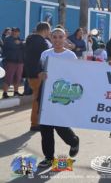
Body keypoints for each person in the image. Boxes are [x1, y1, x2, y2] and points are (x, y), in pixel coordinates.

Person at [37, 28, 80, 168]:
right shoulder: (45, 54)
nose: (57, 40)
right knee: (45, 127)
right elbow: (38, 71)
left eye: (60, 37)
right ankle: (49, 157)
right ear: (50, 37)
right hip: (45, 95)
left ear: (65, 38)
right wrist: (41, 74)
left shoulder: (70, 56)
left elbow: (77, 75)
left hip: (62, 95)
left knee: (60, 124)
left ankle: (73, 141)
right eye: (54, 37)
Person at [24, 22, 51, 132]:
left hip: (30, 73)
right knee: (38, 99)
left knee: (37, 98)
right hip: (39, 74)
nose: (50, 32)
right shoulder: (42, 43)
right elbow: (45, 60)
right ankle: (35, 123)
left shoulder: (29, 40)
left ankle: (37, 121)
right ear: (45, 30)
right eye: (49, 30)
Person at [2, 27, 25, 99]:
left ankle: (16, 92)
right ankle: (5, 93)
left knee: (18, 78)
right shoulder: (8, 39)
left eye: (17, 31)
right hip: (10, 62)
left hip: (20, 62)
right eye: (14, 31)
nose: (16, 32)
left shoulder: (20, 40)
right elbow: (14, 46)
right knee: (8, 78)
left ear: (19, 32)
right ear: (12, 32)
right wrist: (20, 44)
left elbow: (24, 47)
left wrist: (20, 44)